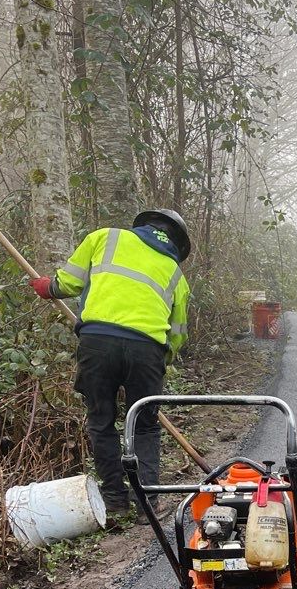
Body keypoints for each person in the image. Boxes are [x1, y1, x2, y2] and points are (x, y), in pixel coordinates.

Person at [31, 209, 191, 519]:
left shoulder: (104, 237)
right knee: (144, 426)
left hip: (97, 343)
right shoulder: (175, 273)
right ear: (175, 241)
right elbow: (177, 333)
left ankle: (115, 499)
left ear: (143, 224)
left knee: (101, 420)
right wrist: (161, 360)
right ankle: (147, 503)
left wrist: (47, 287)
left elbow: (68, 283)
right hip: (147, 351)